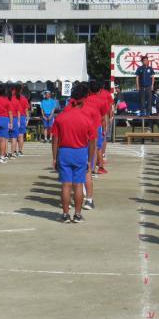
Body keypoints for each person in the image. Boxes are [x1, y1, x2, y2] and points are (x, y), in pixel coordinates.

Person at [51, 82, 96, 223]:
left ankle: (65, 214)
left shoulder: (61, 117)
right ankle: (77, 214)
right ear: (84, 99)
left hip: (64, 152)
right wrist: (89, 160)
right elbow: (93, 141)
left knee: (65, 185)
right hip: (81, 152)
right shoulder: (87, 119)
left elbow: (55, 140)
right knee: (78, 185)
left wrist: (54, 158)